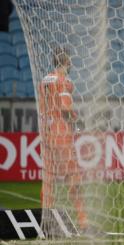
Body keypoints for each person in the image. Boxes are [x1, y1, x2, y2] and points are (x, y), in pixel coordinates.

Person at [38, 48, 88, 232]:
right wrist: (77, 119)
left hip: (45, 131)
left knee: (49, 178)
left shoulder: (44, 79)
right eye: (70, 61)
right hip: (60, 131)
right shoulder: (64, 82)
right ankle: (84, 222)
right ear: (66, 62)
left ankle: (46, 219)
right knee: (73, 177)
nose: (72, 65)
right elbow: (65, 109)